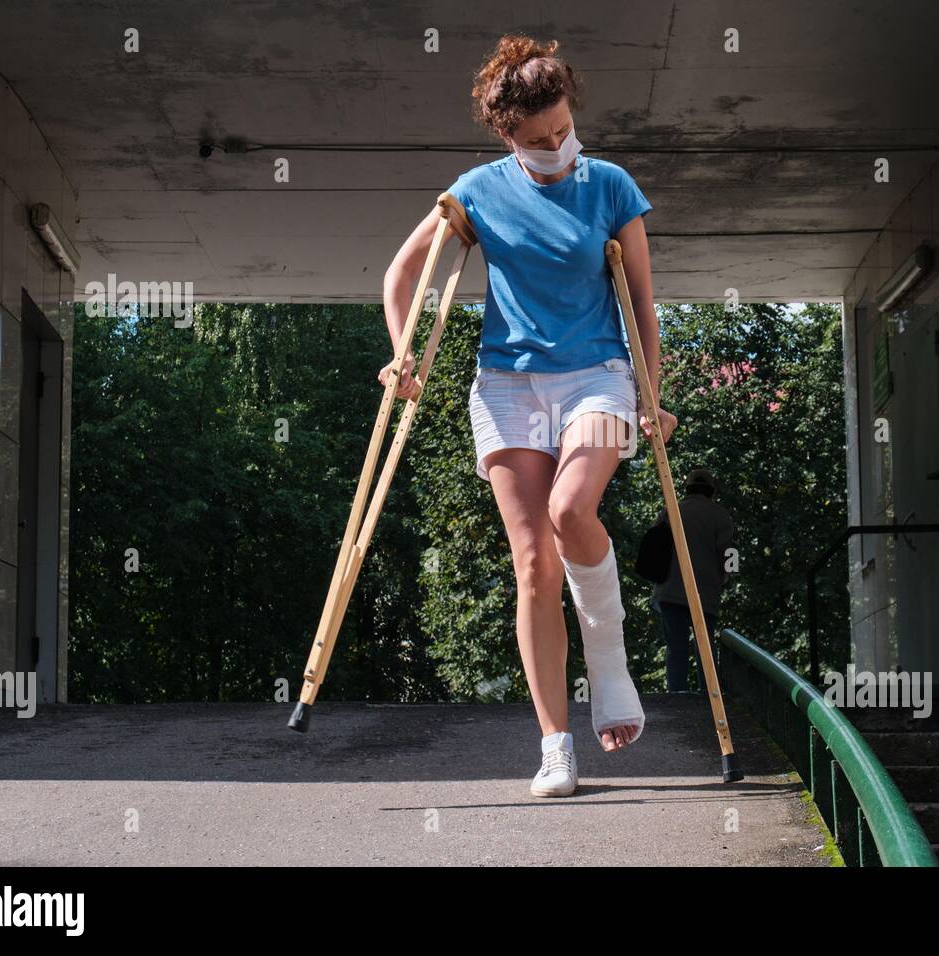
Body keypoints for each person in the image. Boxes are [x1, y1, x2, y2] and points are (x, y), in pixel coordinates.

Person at [381, 35, 674, 798]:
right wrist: (402, 356)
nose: (557, 148)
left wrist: (652, 397)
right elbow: (403, 272)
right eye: (539, 139)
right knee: (535, 565)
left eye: (564, 130)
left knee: (572, 511)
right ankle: (554, 746)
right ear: (507, 133)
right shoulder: (478, 190)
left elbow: (641, 300)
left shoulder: (610, 185)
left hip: (600, 379)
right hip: (507, 386)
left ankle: (608, 665)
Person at [651, 469, 734, 694]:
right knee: (705, 647)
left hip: (669, 590)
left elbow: (655, 549)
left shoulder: (670, 511)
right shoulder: (720, 515)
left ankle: (676, 695)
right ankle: (708, 694)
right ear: (712, 490)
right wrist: (726, 577)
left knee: (675, 647)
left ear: (687, 488)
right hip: (705, 591)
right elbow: (728, 554)